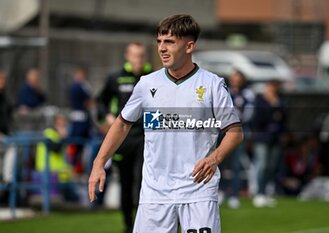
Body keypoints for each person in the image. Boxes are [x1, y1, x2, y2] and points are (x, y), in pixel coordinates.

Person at [88, 14, 243, 233]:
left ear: (189, 46)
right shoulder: (147, 83)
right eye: (159, 41)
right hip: (155, 193)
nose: (161, 48)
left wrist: (214, 159)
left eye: (169, 42)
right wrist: (98, 163)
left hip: (198, 191)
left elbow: (235, 132)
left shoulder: (212, 85)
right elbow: (122, 124)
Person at [96, 42, 152, 232]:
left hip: (145, 136)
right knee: (125, 182)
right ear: (127, 56)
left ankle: (144, 224)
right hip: (124, 137)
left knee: (142, 179)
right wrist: (107, 117)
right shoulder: (116, 78)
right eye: (135, 55)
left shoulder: (153, 76)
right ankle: (128, 225)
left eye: (141, 55)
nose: (138, 60)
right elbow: (100, 101)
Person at [218, 70, 255, 209]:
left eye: (238, 78)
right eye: (233, 78)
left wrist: (236, 122)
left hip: (237, 130)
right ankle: (220, 191)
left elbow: (249, 112)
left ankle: (234, 194)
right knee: (219, 162)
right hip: (222, 130)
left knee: (236, 164)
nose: (235, 80)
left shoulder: (247, 94)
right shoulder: (224, 90)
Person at [251, 80, 286, 208]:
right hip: (262, 138)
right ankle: (259, 193)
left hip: (275, 139)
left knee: (272, 167)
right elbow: (257, 120)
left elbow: (283, 118)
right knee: (262, 165)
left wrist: (276, 105)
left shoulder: (280, 100)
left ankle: (266, 192)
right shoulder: (260, 100)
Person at [67, 67, 93, 174]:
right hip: (81, 121)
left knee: (77, 146)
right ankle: (77, 168)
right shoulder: (81, 87)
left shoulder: (75, 87)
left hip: (79, 120)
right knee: (79, 146)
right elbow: (88, 100)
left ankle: (76, 167)